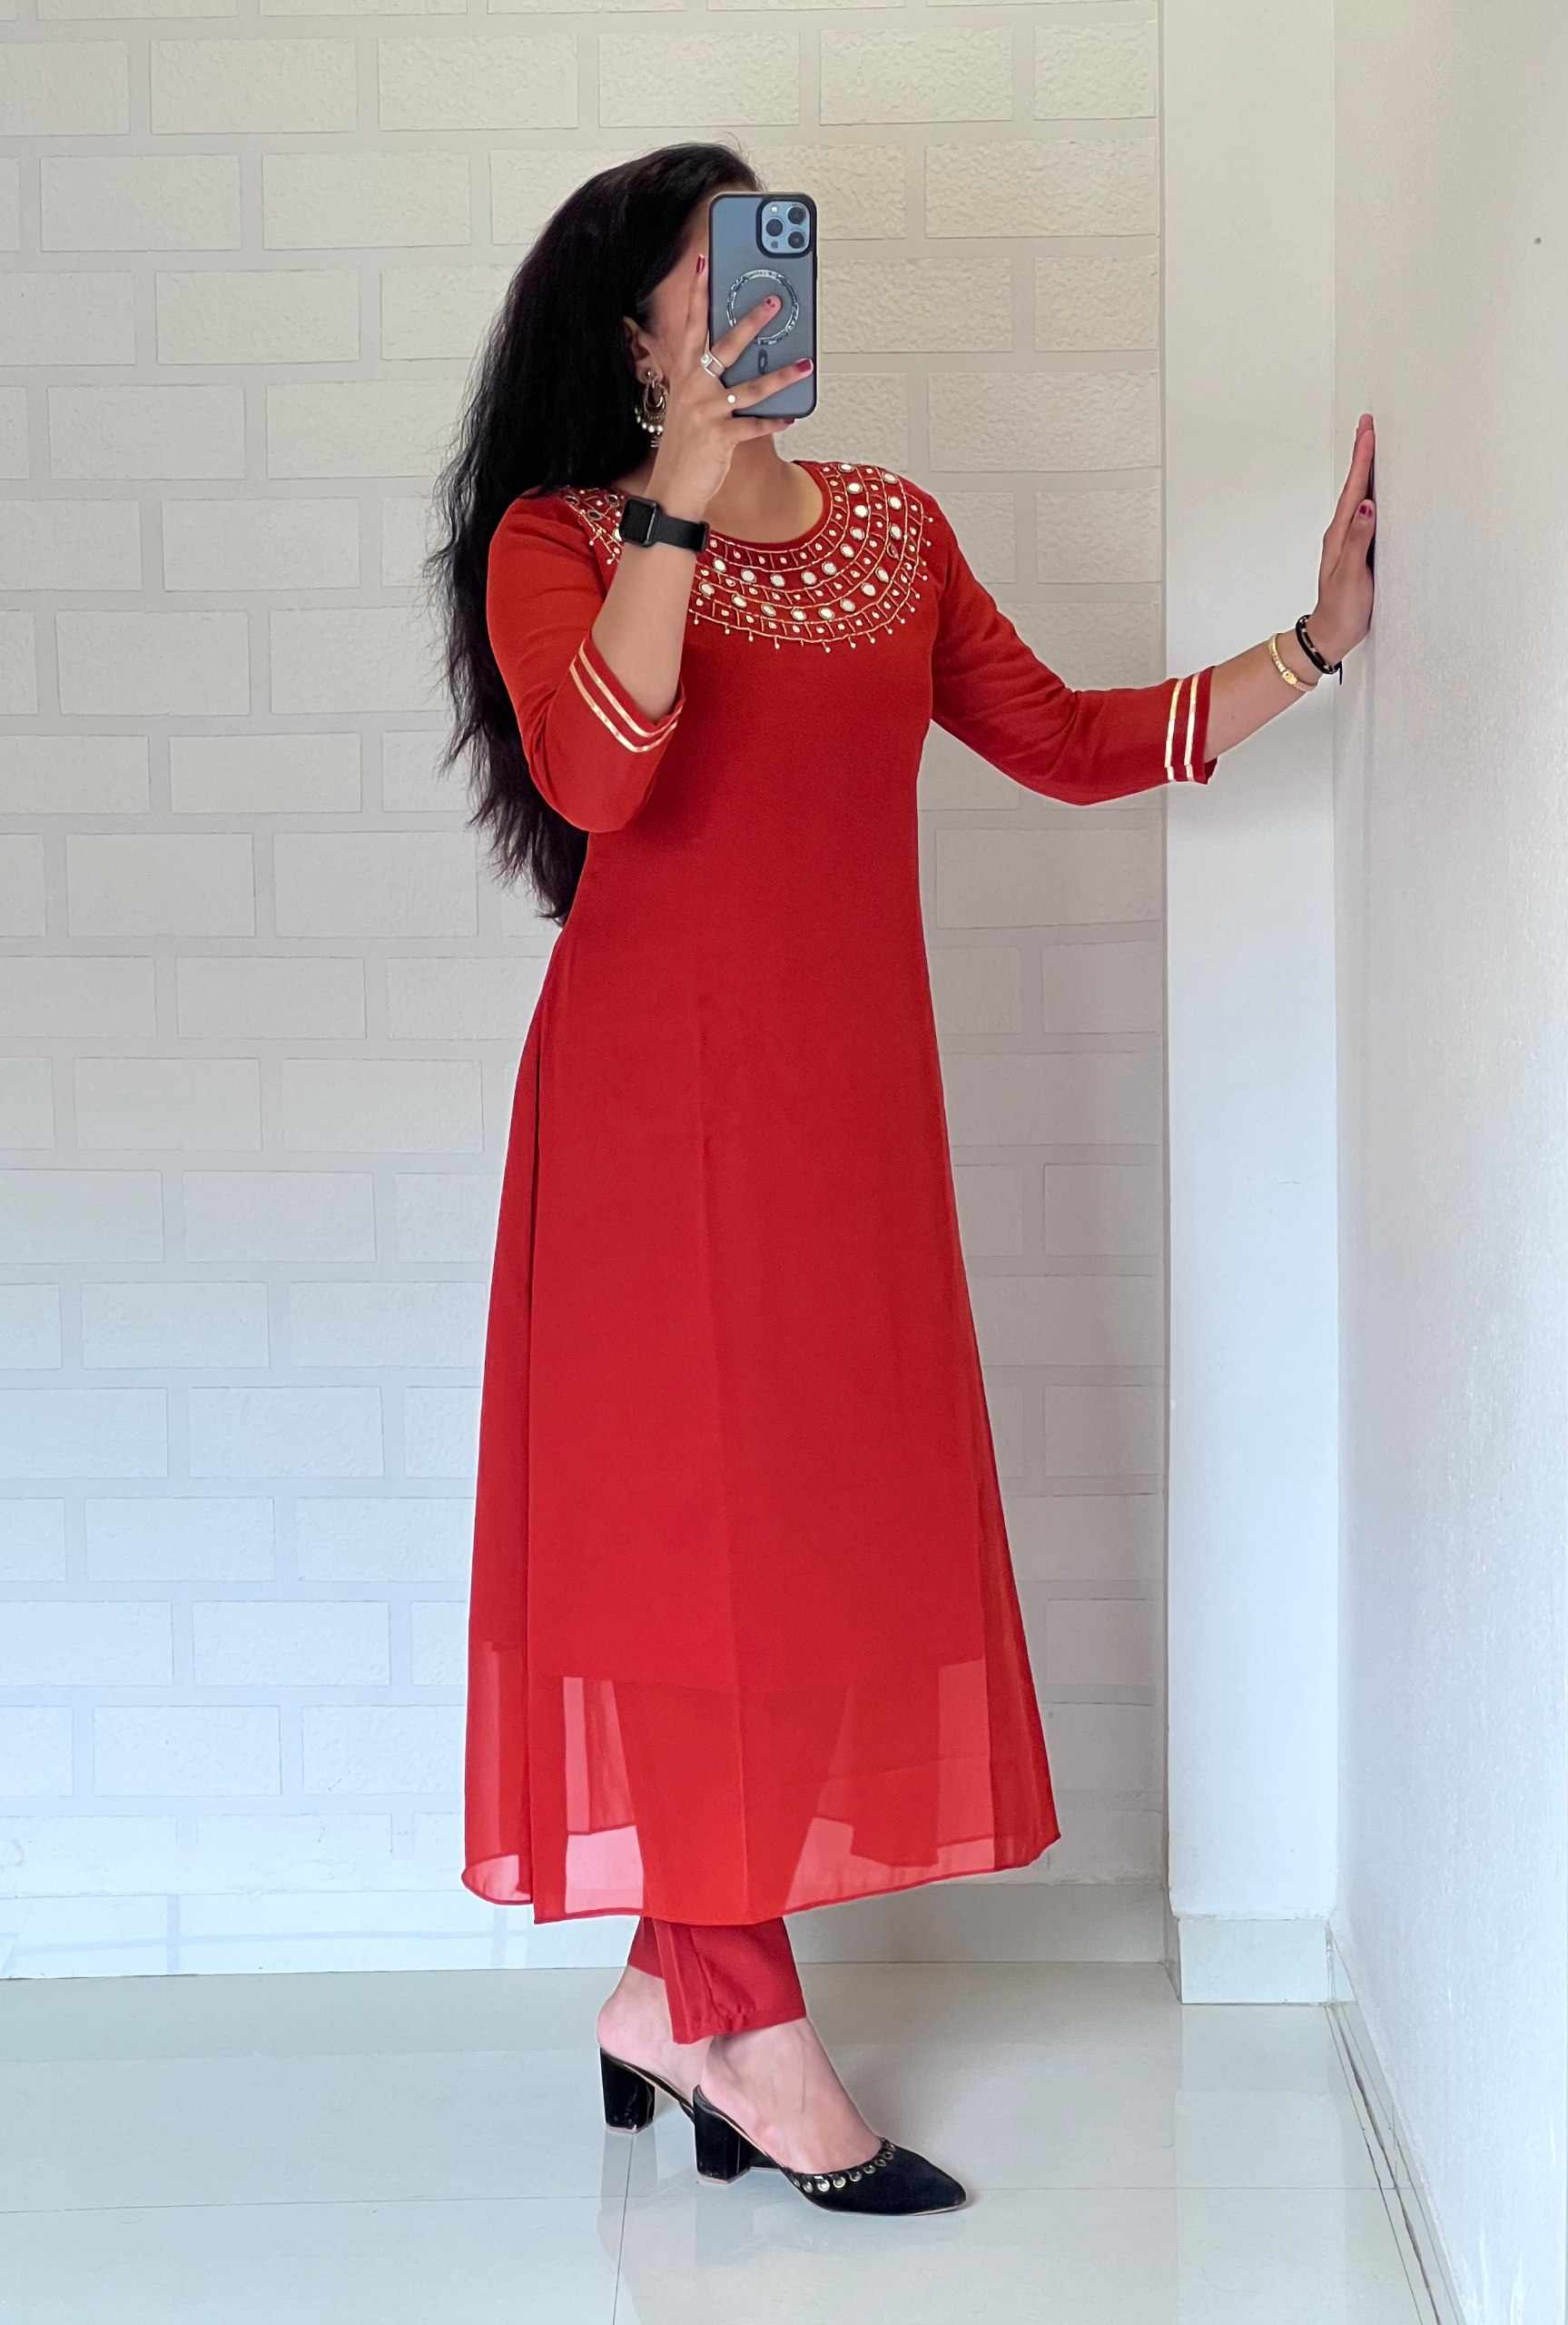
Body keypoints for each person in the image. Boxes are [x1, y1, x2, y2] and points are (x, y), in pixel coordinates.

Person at [427, 143, 1376, 2217]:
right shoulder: (559, 538)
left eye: (771, 264)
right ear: (636, 338)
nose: (757, 303)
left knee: (804, 1540)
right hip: (644, 1130)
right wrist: (675, 504)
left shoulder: (895, 533)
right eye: (713, 279)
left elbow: (1069, 739)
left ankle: (666, 1996)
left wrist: (1313, 645)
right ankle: (747, 2026)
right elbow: (601, 773)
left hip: (847, 1127)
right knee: (686, 1553)